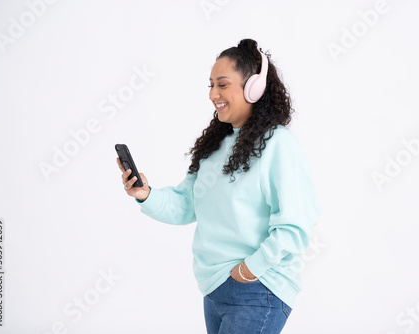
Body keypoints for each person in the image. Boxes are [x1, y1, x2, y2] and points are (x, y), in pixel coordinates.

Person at [117, 38, 321, 333]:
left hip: (257, 290)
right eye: (210, 85)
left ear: (254, 88)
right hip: (215, 289)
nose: (213, 94)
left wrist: (249, 270)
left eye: (222, 84)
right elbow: (186, 205)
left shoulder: (279, 144)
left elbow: (297, 224)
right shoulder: (215, 146)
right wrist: (145, 194)